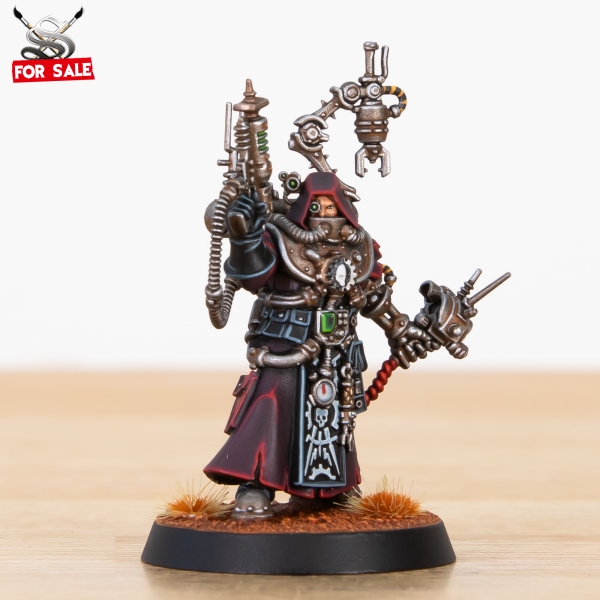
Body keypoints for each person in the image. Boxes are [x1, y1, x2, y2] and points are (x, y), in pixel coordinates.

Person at [204, 172, 437, 517]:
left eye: (331, 206)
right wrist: (244, 236)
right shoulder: (281, 237)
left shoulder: (358, 245)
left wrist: (400, 331)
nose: (325, 213)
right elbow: (253, 274)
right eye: (316, 206)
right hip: (287, 343)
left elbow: (373, 297)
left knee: (336, 418)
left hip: (339, 349)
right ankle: (257, 482)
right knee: (270, 405)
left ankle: (333, 489)